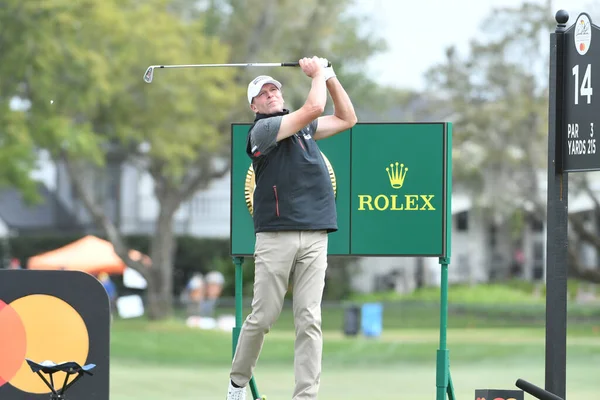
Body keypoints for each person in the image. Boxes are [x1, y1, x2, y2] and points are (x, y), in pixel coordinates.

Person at [226, 56, 357, 400]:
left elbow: (347, 118)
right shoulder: (263, 131)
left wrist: (330, 75)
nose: (271, 95)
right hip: (276, 236)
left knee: (309, 319)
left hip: (315, 234)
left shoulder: (303, 129)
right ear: (254, 105)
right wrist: (316, 74)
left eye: (274, 90)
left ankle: (305, 396)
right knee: (263, 316)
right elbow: (314, 107)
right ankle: (237, 383)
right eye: (263, 93)